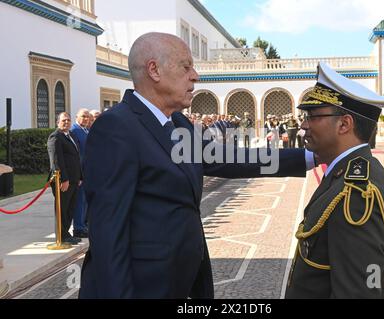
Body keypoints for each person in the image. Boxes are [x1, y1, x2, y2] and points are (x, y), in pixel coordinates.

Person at [78, 32, 316, 299]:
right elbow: (109, 235)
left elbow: (233, 159)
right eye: (186, 66)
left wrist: (311, 157)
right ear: (154, 70)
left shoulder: (178, 124)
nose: (195, 76)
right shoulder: (116, 128)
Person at [285, 62, 384, 299]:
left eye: (313, 116)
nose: (304, 125)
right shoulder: (346, 175)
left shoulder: (356, 194)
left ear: (344, 124)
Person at [47, 113, 83, 245]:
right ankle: (61, 236)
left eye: (68, 120)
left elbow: (76, 157)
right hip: (63, 180)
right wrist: (64, 179)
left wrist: (80, 176)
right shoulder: (55, 137)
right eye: (63, 120)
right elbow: (56, 161)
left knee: (70, 208)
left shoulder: (70, 135)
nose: (66, 122)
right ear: (57, 122)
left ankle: (66, 234)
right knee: (62, 208)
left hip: (74, 179)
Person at [70, 109, 90, 238]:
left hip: (87, 170)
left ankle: (83, 225)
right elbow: (75, 154)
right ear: (77, 117)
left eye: (87, 117)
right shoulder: (75, 131)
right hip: (80, 172)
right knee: (79, 201)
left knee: (84, 201)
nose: (86, 119)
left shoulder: (85, 130)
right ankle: (78, 227)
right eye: (83, 116)